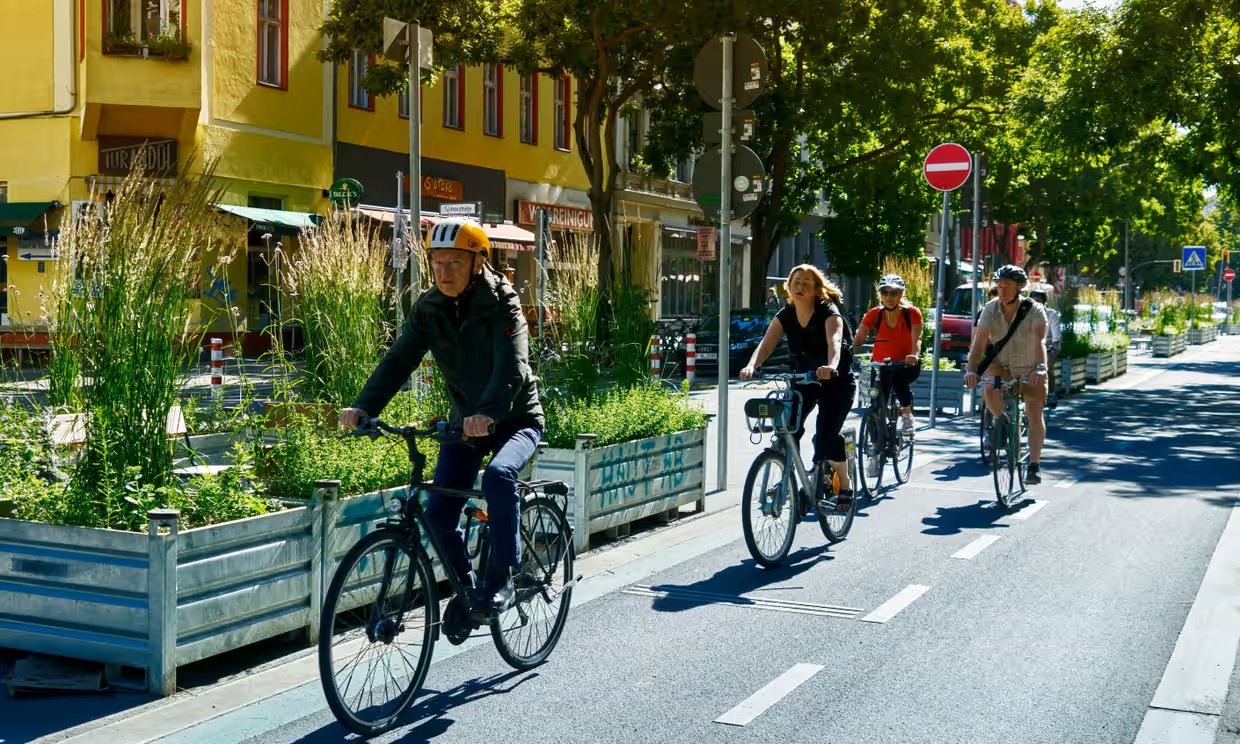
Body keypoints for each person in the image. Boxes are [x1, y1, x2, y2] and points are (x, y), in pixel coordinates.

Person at [340, 218, 543, 614]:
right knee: (437, 513)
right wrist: (365, 406)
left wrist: (488, 412)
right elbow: (400, 358)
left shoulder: (503, 302)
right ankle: (467, 591)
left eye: (455, 262)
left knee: (499, 476)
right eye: (437, 263)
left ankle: (504, 576)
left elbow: (513, 366)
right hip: (466, 424)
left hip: (515, 418)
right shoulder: (430, 307)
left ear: (478, 262)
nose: (444, 272)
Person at [740, 264, 855, 511]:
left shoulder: (828, 311)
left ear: (816, 289)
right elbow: (766, 344)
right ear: (789, 287)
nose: (800, 287)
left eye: (806, 283)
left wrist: (831, 365)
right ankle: (789, 479)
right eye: (796, 282)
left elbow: (835, 341)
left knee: (826, 438)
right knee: (787, 430)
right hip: (803, 380)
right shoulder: (786, 314)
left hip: (836, 382)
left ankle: (845, 482)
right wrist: (751, 365)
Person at [964, 265, 1049, 485]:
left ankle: (1034, 465)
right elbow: (979, 343)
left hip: (1030, 366)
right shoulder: (990, 308)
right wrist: (971, 369)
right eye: (999, 286)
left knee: (1034, 411)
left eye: (1007, 286)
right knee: (989, 387)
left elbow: (1039, 342)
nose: (1002, 290)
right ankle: (1002, 422)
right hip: (1001, 365)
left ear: (1019, 287)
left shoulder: (1034, 309)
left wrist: (1040, 367)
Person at [852, 274, 924, 435]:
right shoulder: (875, 313)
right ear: (880, 294)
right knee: (876, 398)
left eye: (893, 293)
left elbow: (917, 338)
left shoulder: (912, 313)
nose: (888, 297)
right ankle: (875, 442)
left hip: (906, 364)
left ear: (901, 294)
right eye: (884, 292)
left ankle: (907, 415)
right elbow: (860, 336)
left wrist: (914, 354)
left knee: (898, 378)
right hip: (881, 365)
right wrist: (851, 355)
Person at [1029, 287, 1061, 408]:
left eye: (1039, 301)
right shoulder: (1025, 315)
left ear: (1044, 302)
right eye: (1033, 301)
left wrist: (1053, 347)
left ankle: (1051, 393)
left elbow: (1056, 336)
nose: (1036, 304)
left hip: (1047, 347)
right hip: (1029, 348)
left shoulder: (1051, 314)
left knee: (1047, 368)